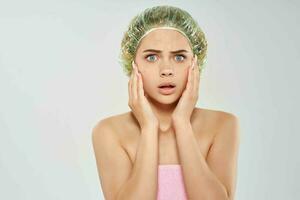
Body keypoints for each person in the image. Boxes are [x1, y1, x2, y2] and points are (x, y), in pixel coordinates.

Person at [92, 5, 240, 200]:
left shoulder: (223, 125)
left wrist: (182, 123)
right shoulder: (109, 132)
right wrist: (148, 127)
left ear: (195, 63)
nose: (166, 70)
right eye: (151, 57)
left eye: (179, 57)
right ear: (133, 64)